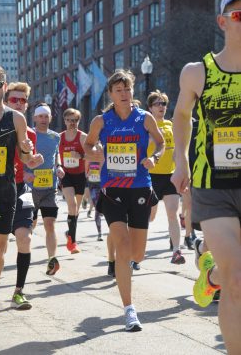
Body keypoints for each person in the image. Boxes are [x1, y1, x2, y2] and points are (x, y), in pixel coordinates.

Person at [171, 0, 241, 353]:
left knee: (231, 275)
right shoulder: (198, 72)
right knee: (238, 278)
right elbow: (181, 116)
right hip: (214, 184)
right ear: (223, 22)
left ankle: (210, 276)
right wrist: (180, 161)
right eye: (239, 15)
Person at [84, 69, 165, 332]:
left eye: (127, 89)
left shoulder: (145, 118)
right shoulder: (101, 121)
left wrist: (154, 158)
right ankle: (129, 309)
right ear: (110, 93)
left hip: (140, 187)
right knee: (122, 244)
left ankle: (126, 267)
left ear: (132, 91)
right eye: (118, 90)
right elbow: (89, 145)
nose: (124, 94)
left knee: (136, 253)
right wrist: (94, 151)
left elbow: (161, 143)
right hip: (113, 189)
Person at [0, 64, 43, 323]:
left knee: (12, 243)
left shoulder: (19, 122)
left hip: (12, 191)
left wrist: (30, 156)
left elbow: (27, 157)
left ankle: (9, 294)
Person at [4, 82, 43, 310]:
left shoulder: (29, 133)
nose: (18, 103)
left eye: (22, 100)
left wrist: (33, 161)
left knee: (24, 238)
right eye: (14, 99)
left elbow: (28, 161)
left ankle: (18, 292)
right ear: (6, 100)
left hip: (19, 190)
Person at [147, 90, 191, 265]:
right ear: (150, 107)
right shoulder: (146, 126)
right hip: (150, 177)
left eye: (163, 104)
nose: (161, 107)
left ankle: (176, 251)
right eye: (157, 104)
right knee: (149, 217)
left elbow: (178, 151)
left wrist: (182, 169)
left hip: (170, 177)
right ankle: (135, 251)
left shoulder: (170, 125)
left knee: (172, 213)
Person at [25, 103, 65, 276]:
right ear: (34, 118)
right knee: (29, 226)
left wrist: (59, 166)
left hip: (50, 187)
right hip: (30, 189)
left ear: (50, 118)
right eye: (40, 116)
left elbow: (57, 156)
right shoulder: (28, 135)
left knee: (50, 224)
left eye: (46, 116)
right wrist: (26, 173)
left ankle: (51, 260)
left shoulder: (55, 137)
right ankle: (24, 254)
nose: (43, 119)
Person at [59, 108, 87, 253]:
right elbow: (55, 156)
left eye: (75, 120)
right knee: (72, 205)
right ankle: (72, 243)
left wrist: (81, 156)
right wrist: (58, 167)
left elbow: (92, 155)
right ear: (64, 121)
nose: (72, 123)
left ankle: (70, 233)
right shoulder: (60, 138)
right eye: (69, 120)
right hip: (66, 175)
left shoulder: (82, 137)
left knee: (75, 211)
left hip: (80, 175)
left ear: (78, 121)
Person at [86, 160, 103, 241]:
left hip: (103, 186)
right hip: (93, 186)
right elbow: (85, 173)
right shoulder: (88, 156)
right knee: (97, 208)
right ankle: (99, 233)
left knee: (100, 210)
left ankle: (101, 233)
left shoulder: (103, 156)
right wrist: (87, 173)